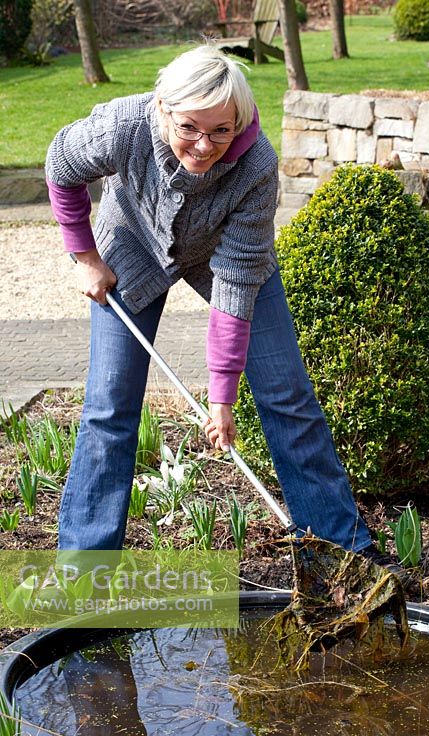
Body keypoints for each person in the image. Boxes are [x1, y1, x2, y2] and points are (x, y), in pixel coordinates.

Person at [46, 44, 375, 557]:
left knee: (288, 397)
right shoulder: (123, 125)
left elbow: (238, 279)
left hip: (223, 253)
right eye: (189, 128)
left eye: (221, 130)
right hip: (130, 247)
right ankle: (85, 570)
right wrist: (85, 256)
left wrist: (221, 397)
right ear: (163, 109)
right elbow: (61, 163)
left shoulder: (257, 166)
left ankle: (341, 553)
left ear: (239, 121)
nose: (203, 145)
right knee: (110, 407)